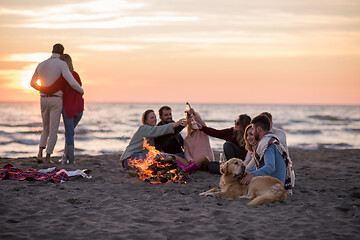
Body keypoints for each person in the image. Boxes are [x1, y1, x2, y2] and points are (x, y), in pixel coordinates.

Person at [30, 44, 84, 163]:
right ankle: (48, 157)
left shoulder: (41, 64)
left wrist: (44, 89)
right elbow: (72, 83)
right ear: (62, 52)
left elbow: (32, 83)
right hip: (56, 98)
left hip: (43, 98)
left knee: (45, 127)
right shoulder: (61, 64)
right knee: (53, 128)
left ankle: (39, 154)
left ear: (52, 51)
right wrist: (81, 90)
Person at [240, 115, 295, 193]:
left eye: (253, 129)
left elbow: (270, 167)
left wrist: (251, 175)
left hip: (274, 187)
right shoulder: (268, 141)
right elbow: (257, 167)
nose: (252, 132)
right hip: (275, 184)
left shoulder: (268, 144)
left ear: (258, 129)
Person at [120, 110, 187, 169]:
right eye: (152, 118)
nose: (154, 119)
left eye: (155, 117)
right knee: (159, 157)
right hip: (129, 159)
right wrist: (176, 124)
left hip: (139, 158)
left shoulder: (151, 132)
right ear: (145, 120)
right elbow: (160, 129)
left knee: (163, 157)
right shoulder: (144, 128)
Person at [181, 107, 214, 172]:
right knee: (176, 157)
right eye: (192, 121)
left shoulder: (204, 132)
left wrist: (193, 113)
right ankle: (188, 168)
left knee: (203, 158)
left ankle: (186, 169)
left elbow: (202, 123)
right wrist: (190, 160)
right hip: (195, 163)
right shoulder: (187, 138)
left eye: (195, 121)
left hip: (207, 162)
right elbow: (187, 153)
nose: (194, 123)